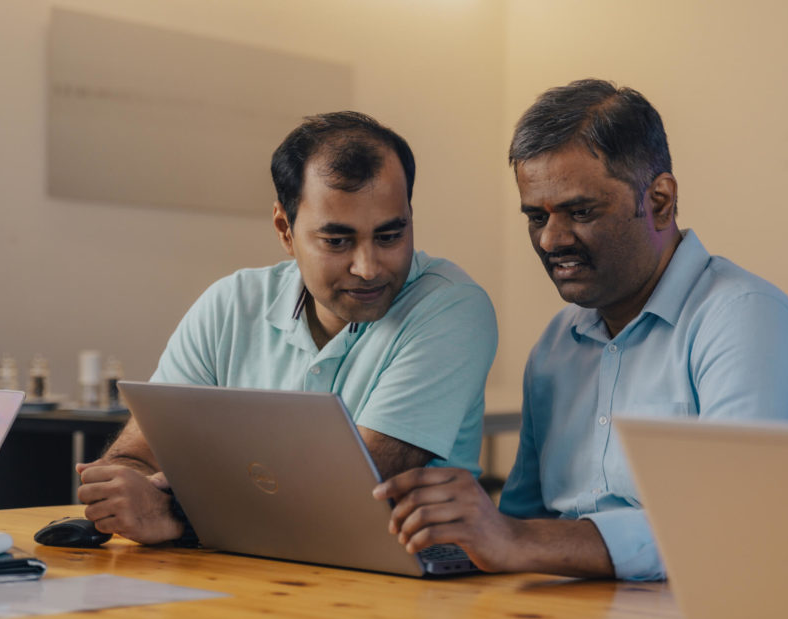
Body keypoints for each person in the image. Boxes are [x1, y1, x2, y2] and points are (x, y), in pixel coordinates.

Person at [373, 79, 788, 581]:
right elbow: (528, 517)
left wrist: (518, 540)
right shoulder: (556, 344)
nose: (551, 239)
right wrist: (459, 529)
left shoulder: (744, 319)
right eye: (535, 216)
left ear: (659, 201)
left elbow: (734, 529)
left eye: (581, 212)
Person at [77, 112, 497, 545]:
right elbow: (136, 455)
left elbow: (353, 491)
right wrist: (125, 488)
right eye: (337, 241)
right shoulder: (231, 304)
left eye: (390, 236)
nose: (368, 268)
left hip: (396, 588)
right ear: (284, 228)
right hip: (235, 575)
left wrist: (172, 511)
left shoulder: (450, 307)